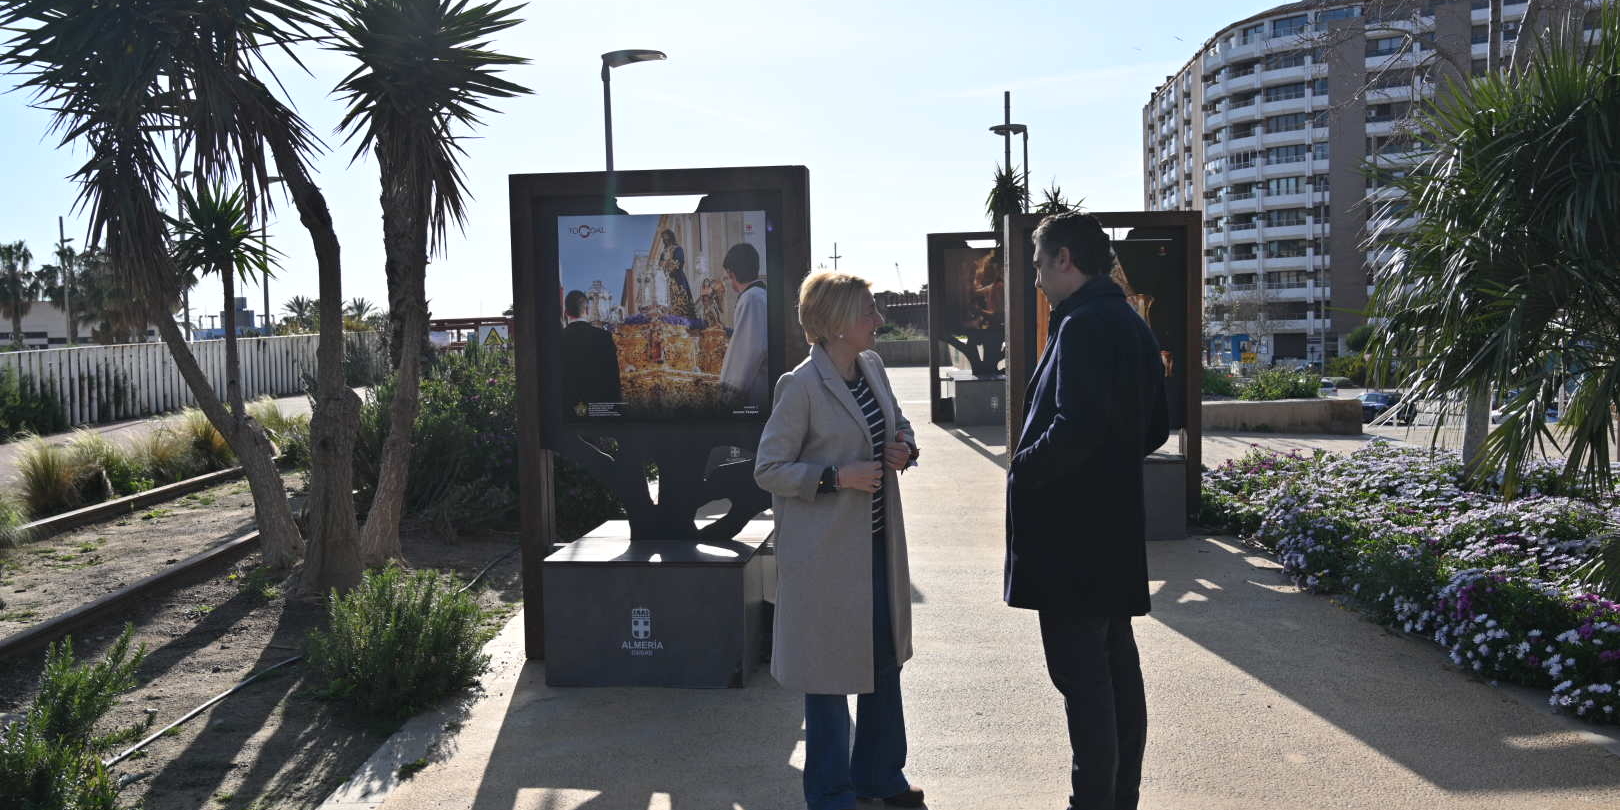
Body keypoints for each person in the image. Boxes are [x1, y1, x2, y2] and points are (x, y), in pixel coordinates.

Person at [1005, 212, 1169, 810]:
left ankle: (1093, 802)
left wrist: (1027, 467)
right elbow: (1154, 425)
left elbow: (1072, 426)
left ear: (1065, 259)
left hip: (1073, 537)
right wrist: (1108, 465)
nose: (1038, 278)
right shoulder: (1126, 319)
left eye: (1039, 264)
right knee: (1116, 673)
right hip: (1111, 530)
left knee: (1085, 682)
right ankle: (1120, 797)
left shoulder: (1081, 326)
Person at [754, 272, 923, 810]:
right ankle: (830, 794)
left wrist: (905, 449)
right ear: (834, 324)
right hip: (823, 557)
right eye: (868, 311)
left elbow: (897, 425)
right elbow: (769, 468)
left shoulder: (871, 366)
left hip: (875, 548)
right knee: (826, 676)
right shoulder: (799, 385)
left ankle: (880, 777)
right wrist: (834, 477)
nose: (878, 319)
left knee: (883, 664)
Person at [717, 243, 769, 410]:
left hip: (756, 389)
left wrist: (729, 394)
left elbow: (749, 350)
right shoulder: (760, 295)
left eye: (727, 275)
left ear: (732, 273)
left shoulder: (751, 298)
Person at [559, 290, 622, 410]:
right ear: (587, 310)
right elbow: (613, 380)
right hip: (599, 412)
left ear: (566, 313)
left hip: (568, 413)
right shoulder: (604, 337)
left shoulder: (557, 340)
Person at [656, 228, 697, 318]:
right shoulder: (663, 252)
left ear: (671, 237)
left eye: (666, 238)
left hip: (677, 278)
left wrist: (667, 264)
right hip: (665, 280)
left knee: (681, 302)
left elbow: (678, 262)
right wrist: (663, 266)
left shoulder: (678, 249)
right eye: (663, 239)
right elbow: (660, 265)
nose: (665, 240)